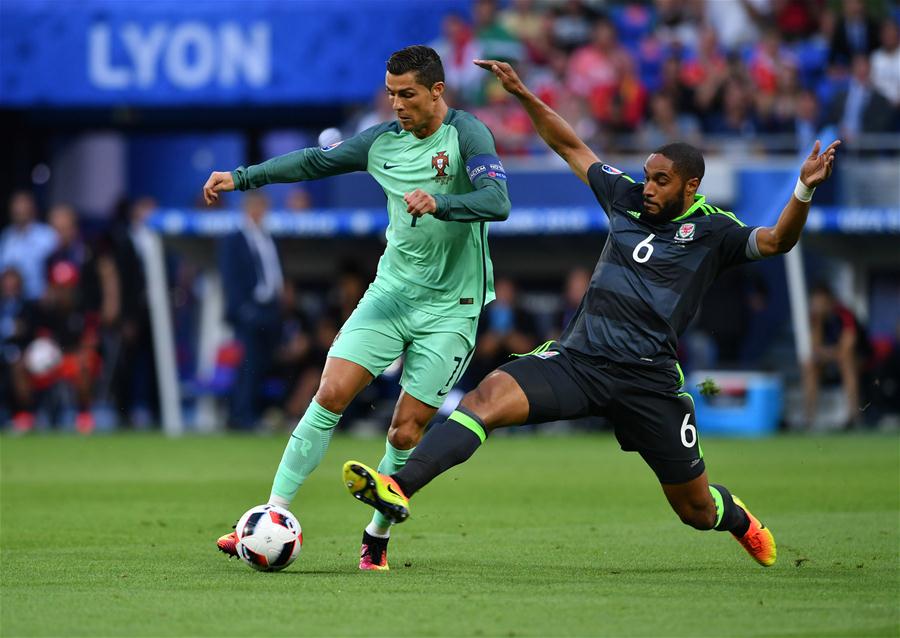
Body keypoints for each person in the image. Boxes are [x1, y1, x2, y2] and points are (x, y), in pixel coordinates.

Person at [343, 58, 841, 569]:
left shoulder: (716, 232)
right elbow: (569, 145)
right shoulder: (625, 199)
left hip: (648, 380)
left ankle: (736, 518)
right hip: (579, 361)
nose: (647, 187)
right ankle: (396, 486)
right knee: (486, 398)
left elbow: (779, 240)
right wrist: (521, 92)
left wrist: (803, 190)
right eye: (647, 176)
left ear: (690, 187)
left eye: (661, 181)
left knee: (694, 510)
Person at [204, 45, 511, 570]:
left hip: (452, 308)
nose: (396, 104)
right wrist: (243, 177)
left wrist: (443, 202)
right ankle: (268, 517)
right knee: (330, 394)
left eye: (407, 94)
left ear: (437, 91)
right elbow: (312, 162)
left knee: (406, 429)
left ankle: (376, 536)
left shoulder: (467, 135)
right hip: (390, 295)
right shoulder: (380, 143)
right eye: (391, 94)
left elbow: (497, 203)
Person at [218, 192, 285, 430]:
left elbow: (273, 271)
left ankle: (253, 413)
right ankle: (240, 416)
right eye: (259, 207)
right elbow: (230, 277)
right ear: (249, 209)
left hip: (269, 309)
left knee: (262, 364)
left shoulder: (267, 237)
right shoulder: (234, 239)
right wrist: (243, 309)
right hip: (248, 311)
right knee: (246, 364)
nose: (263, 213)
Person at [802, 283, 871, 429]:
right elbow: (815, 348)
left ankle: (854, 417)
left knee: (846, 362)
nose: (818, 306)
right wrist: (818, 323)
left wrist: (826, 352)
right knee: (809, 364)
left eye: (820, 302)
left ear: (830, 300)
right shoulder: (815, 318)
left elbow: (847, 348)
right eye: (815, 303)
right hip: (833, 358)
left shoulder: (845, 314)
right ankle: (809, 419)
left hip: (861, 358)